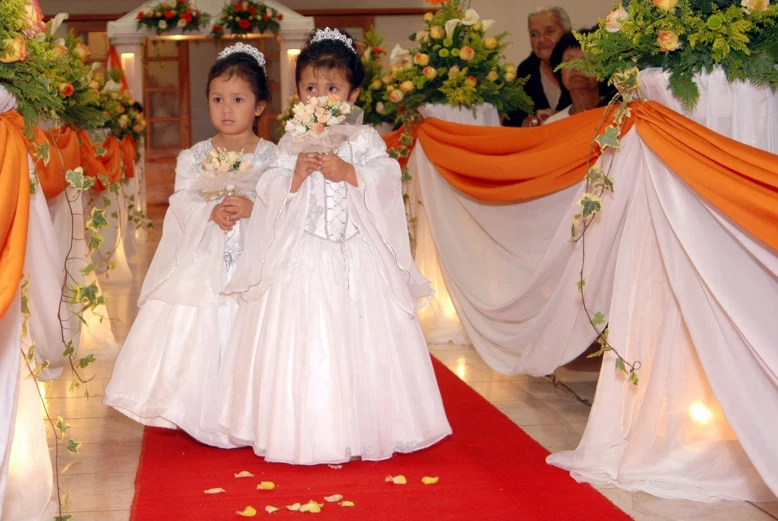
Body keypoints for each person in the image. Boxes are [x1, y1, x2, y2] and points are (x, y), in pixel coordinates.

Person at [209, 28, 452, 465]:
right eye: (310, 87)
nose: (321, 96)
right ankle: (307, 428)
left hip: (356, 255)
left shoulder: (365, 141)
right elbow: (268, 191)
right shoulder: (290, 142)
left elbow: (387, 179)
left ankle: (369, 424)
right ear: (299, 92)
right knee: (305, 342)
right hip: (303, 255)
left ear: (353, 93)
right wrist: (295, 176)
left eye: (333, 87)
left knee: (363, 340)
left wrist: (351, 173)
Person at [103, 43, 277, 447]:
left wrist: (253, 206)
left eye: (238, 99)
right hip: (205, 255)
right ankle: (199, 408)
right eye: (217, 99)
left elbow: (283, 201)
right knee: (201, 325)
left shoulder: (273, 156)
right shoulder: (195, 155)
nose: (226, 109)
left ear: (260, 106)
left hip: (254, 257)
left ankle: (251, 409)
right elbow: (182, 201)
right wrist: (209, 211)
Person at [504, 6, 572, 127]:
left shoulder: (584, 67)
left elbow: (597, 109)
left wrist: (559, 117)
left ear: (568, 33)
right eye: (534, 34)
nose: (541, 39)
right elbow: (511, 120)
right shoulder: (526, 71)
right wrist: (527, 122)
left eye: (549, 31)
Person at [543, 31, 615, 124]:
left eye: (587, 60)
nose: (577, 67)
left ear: (603, 69)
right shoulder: (552, 124)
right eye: (569, 61)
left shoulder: (619, 114)